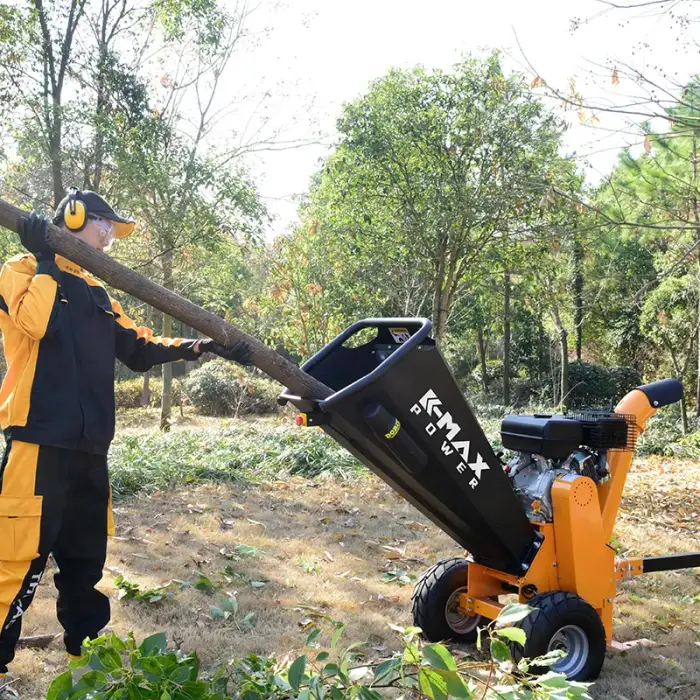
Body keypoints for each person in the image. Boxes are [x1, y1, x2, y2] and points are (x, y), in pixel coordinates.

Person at [0, 189, 251, 698]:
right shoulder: (21, 270)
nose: (110, 240)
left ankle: (87, 664)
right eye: (105, 228)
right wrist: (50, 261)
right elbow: (36, 324)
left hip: (92, 450)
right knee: (15, 562)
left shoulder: (98, 291)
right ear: (74, 219)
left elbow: (137, 347)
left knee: (85, 562)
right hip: (38, 443)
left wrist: (198, 345)